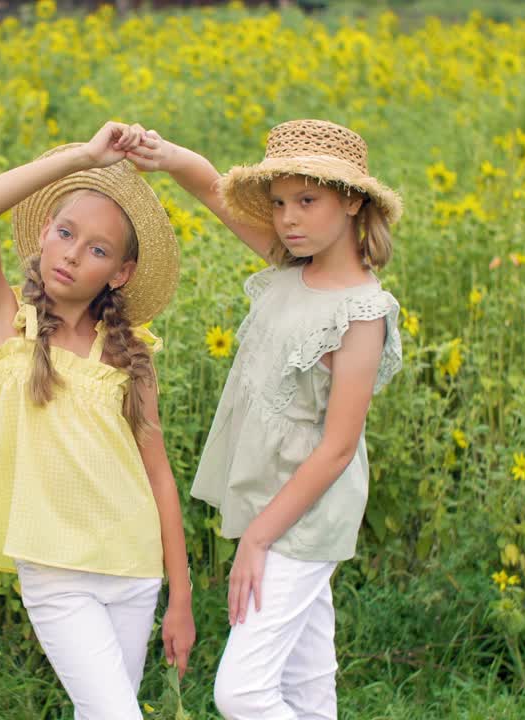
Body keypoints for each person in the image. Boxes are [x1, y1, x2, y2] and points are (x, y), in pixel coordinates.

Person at [127, 118, 404, 719]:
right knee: (307, 682)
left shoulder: (362, 312)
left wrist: (258, 537)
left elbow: (337, 448)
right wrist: (168, 154)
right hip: (267, 491)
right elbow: (210, 190)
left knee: (242, 693)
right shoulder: (289, 266)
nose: (288, 219)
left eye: (308, 200)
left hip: (305, 511)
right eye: (278, 203)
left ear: (352, 200)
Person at [0, 121, 195, 719]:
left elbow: (158, 474)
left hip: (134, 567)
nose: (73, 253)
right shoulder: (8, 325)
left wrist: (180, 595)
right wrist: (82, 158)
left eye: (99, 249)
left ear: (121, 273)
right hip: (57, 569)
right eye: (64, 232)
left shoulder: (129, 353)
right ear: (43, 237)